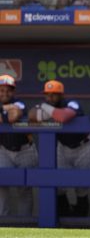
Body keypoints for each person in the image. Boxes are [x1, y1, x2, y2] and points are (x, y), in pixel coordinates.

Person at [28, 80, 90, 217]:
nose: (50, 98)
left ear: (61, 95)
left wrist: (45, 109)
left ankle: (81, 220)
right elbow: (31, 115)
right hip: (63, 147)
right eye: (47, 95)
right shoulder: (46, 105)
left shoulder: (71, 103)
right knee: (57, 185)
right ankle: (65, 217)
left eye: (54, 94)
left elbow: (63, 116)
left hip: (84, 146)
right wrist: (45, 110)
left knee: (82, 187)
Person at [0, 75, 38, 216]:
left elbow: (13, 116)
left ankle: (25, 223)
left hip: (24, 149)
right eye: (1, 90)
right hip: (4, 150)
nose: (5, 93)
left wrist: (3, 114)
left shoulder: (19, 103)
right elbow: (8, 115)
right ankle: (2, 223)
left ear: (13, 92)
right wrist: (6, 111)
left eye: (8, 90)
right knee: (1, 185)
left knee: (24, 188)